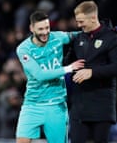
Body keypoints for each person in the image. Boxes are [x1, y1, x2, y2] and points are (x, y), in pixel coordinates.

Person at [15, 10, 85, 143]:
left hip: (56, 105)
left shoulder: (57, 37)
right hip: (32, 105)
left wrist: (106, 33)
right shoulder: (23, 49)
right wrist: (69, 68)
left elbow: (80, 35)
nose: (45, 32)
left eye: (47, 27)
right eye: (40, 29)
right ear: (31, 28)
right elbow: (39, 75)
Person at [64, 0, 117, 143]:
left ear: (93, 17)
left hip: (102, 105)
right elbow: (68, 63)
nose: (78, 25)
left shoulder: (112, 38)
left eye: (81, 21)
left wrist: (92, 72)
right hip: (79, 105)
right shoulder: (78, 38)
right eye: (77, 22)